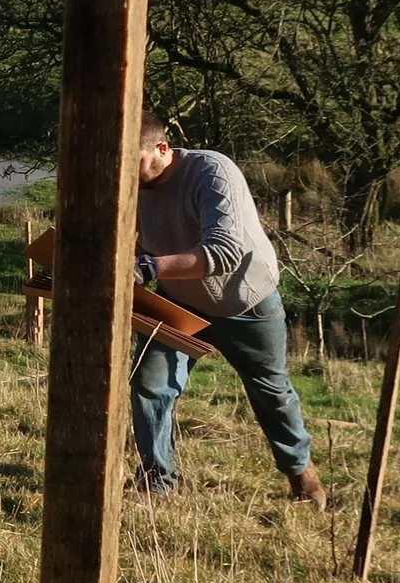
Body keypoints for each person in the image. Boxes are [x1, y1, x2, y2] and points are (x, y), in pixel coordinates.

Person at [131, 109, 323, 506]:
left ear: (162, 148)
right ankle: (157, 481)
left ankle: (303, 479)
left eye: (134, 163)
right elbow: (132, 238)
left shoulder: (212, 173)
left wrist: (148, 266)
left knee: (271, 393)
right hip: (177, 303)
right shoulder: (129, 185)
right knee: (149, 384)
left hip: (245, 302)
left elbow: (225, 252)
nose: (124, 175)